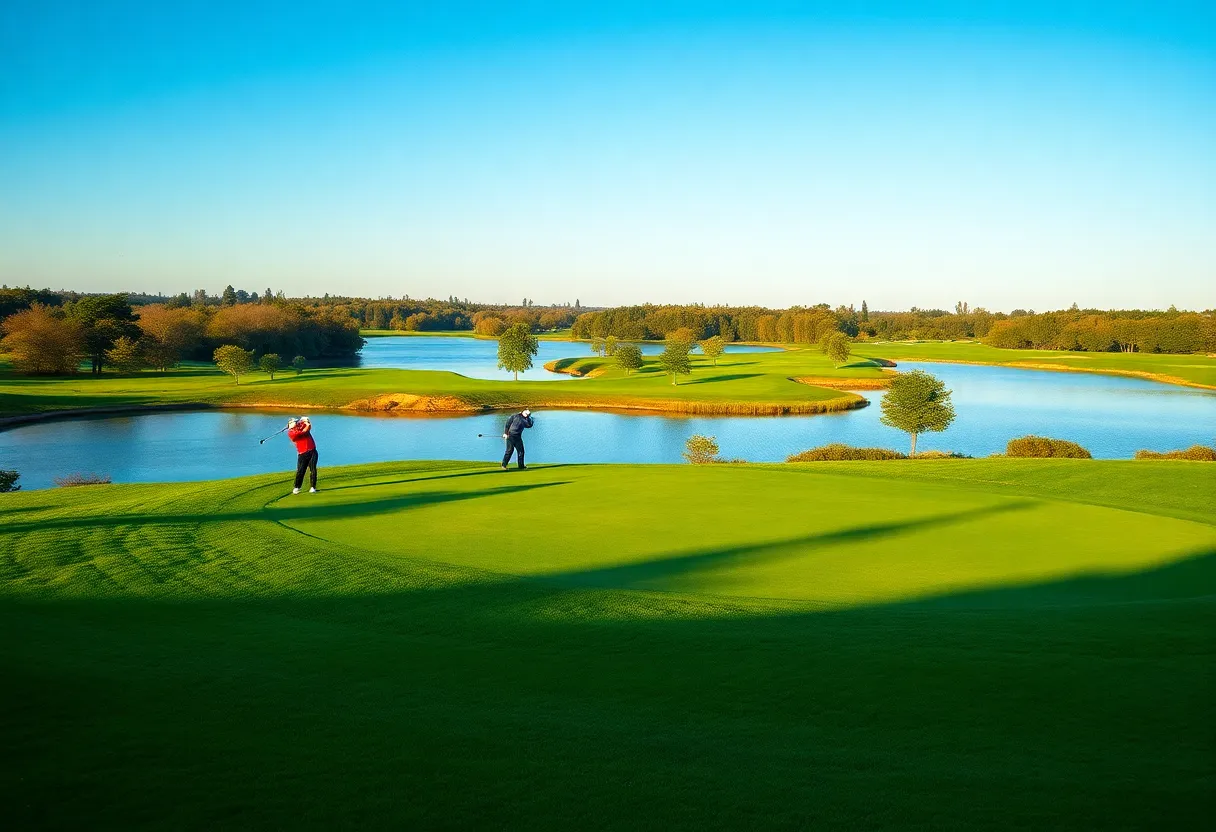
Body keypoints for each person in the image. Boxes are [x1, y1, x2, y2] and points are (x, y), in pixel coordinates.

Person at [287, 416, 318, 493]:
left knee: (313, 470)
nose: (296, 423)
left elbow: (308, 425)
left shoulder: (300, 426)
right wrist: (306, 423)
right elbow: (306, 429)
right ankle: (297, 487)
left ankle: (313, 488)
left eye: (296, 422)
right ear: (290, 425)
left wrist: (305, 420)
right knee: (301, 471)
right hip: (302, 454)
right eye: (295, 422)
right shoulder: (291, 433)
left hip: (312, 451)